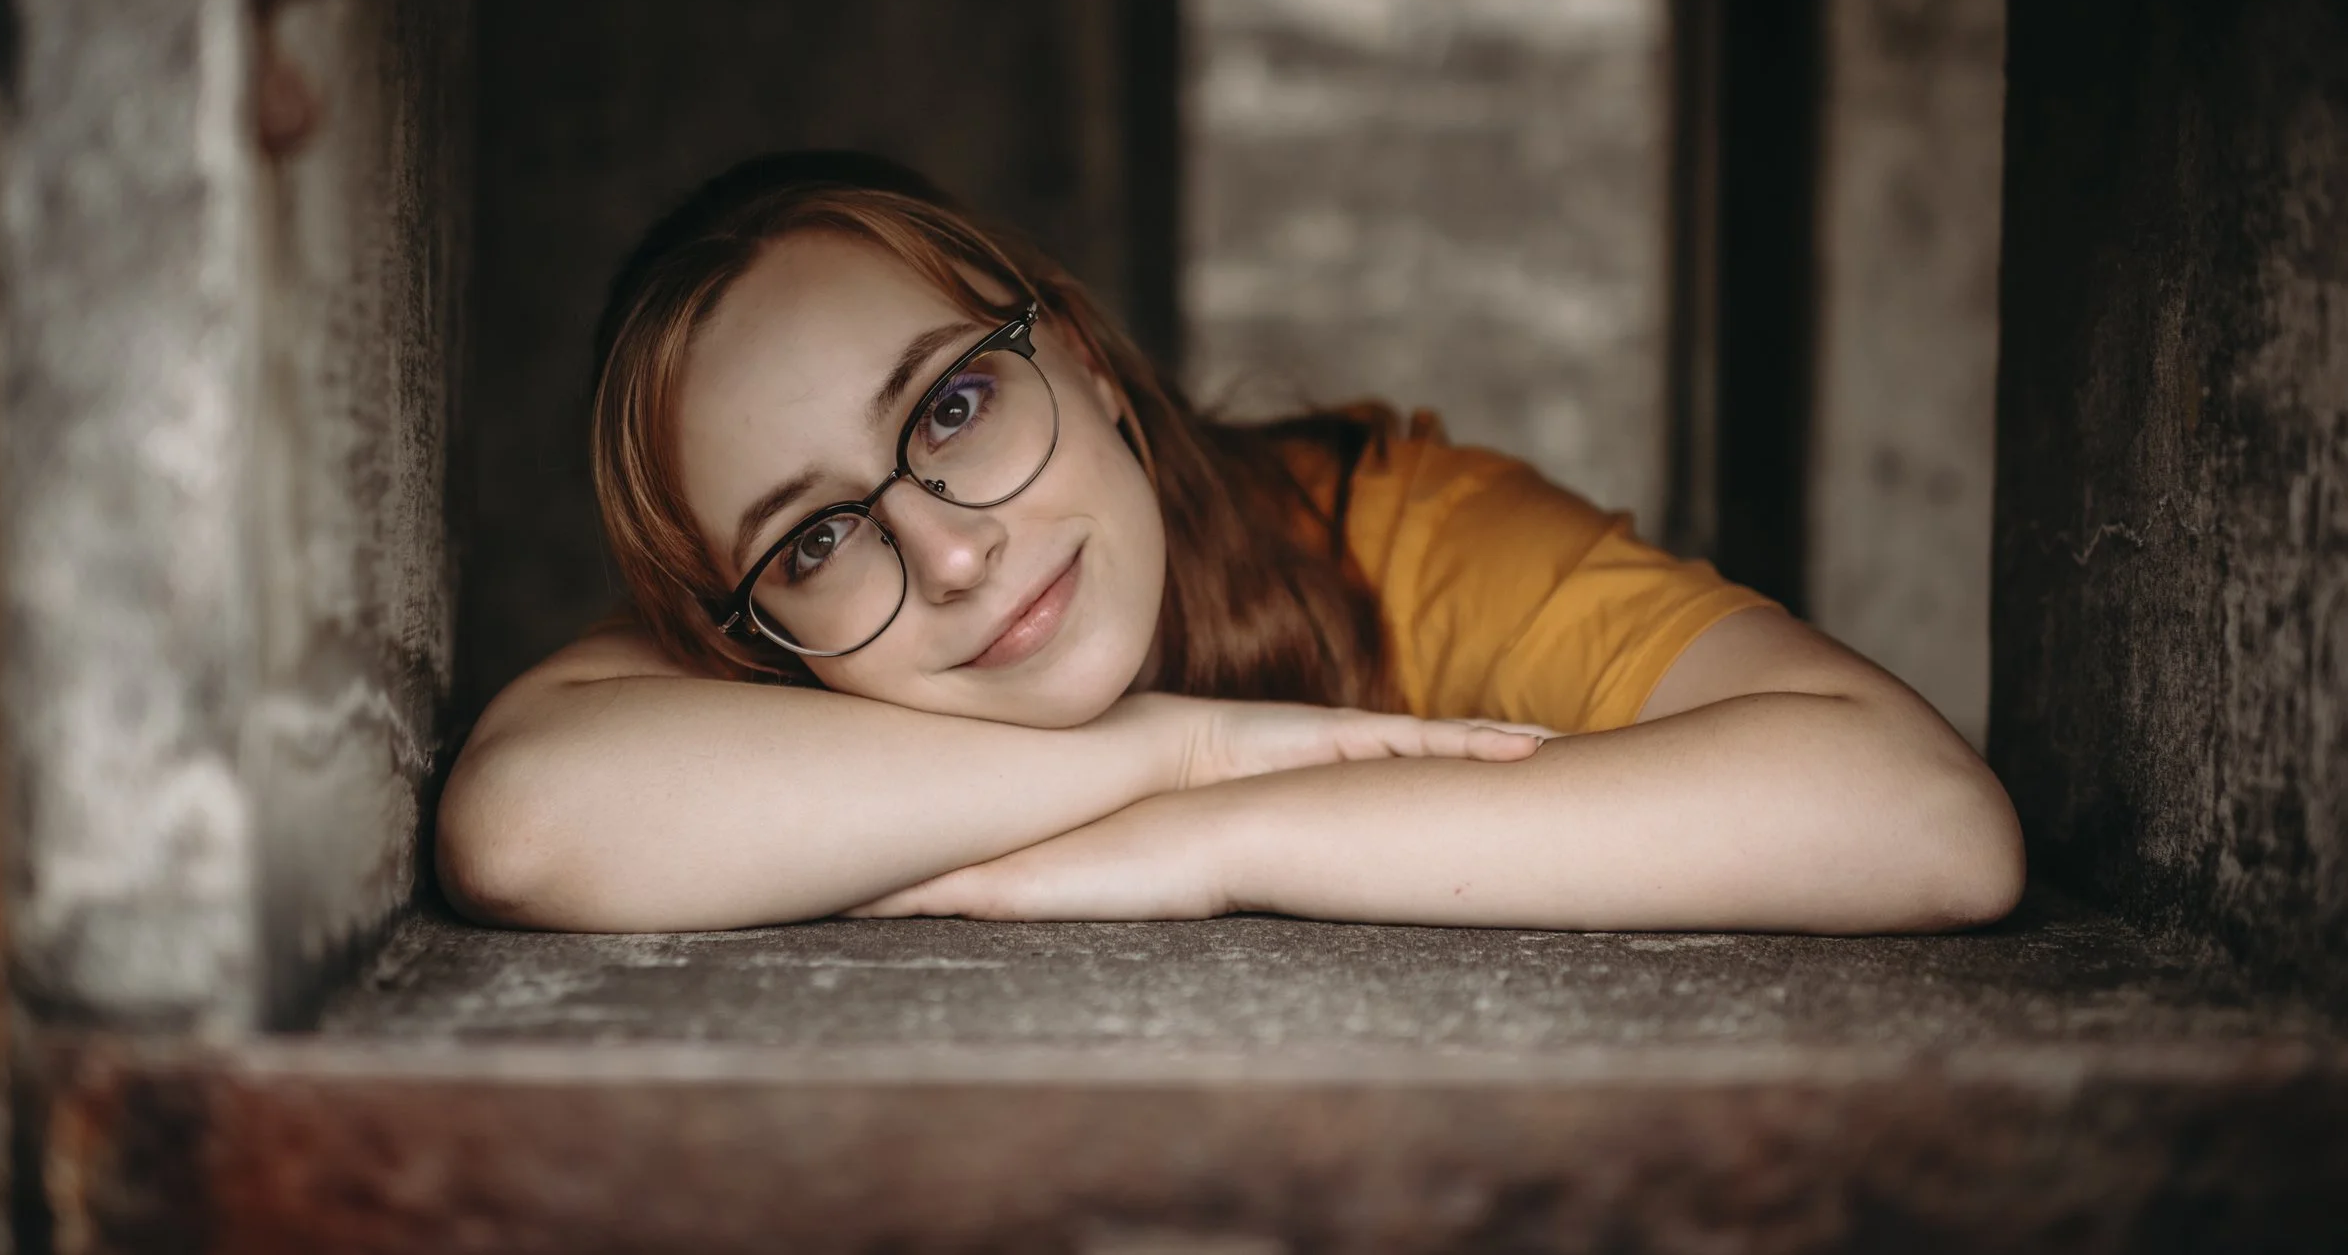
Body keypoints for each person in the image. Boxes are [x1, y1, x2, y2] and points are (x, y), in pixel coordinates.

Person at [438, 152, 2023, 934]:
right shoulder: (790, 679)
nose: (953, 557)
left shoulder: (1399, 532)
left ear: (1089, 363)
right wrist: (1188, 751)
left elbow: (1922, 816)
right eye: (812, 542)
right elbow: (526, 823)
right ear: (751, 622)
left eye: (956, 405)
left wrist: (1220, 839)